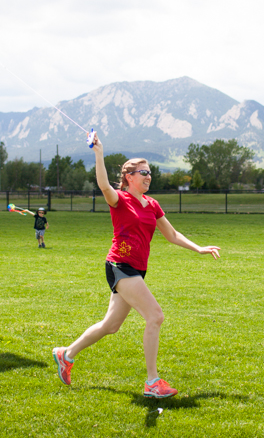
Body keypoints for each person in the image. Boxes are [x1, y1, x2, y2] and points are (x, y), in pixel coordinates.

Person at [52, 132, 220, 399]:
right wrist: (99, 153)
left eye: (150, 172)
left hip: (136, 269)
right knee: (155, 316)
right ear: (129, 177)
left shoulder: (152, 205)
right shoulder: (120, 199)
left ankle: (66, 354)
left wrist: (198, 248)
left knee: (111, 325)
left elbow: (172, 235)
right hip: (120, 265)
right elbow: (104, 185)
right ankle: (152, 382)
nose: (148, 176)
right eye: (143, 172)